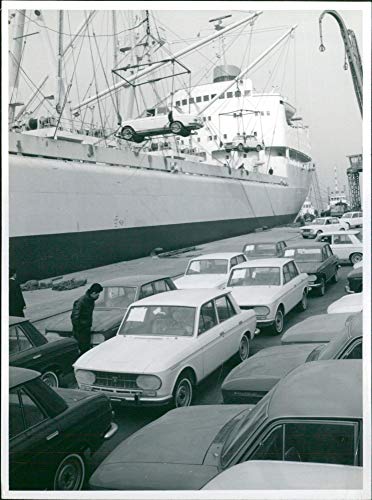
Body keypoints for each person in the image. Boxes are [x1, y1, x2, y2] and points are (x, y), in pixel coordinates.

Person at [71, 283, 103, 354]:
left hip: (86, 329)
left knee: (86, 349)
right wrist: (80, 329)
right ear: (93, 293)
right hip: (80, 331)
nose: (98, 296)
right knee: (83, 350)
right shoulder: (80, 302)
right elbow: (74, 317)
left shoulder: (90, 300)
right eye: (98, 294)